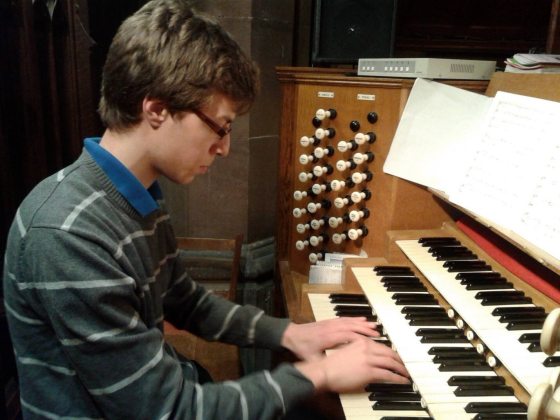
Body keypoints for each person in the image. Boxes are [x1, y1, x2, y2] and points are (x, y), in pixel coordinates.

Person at [2, 0, 409, 418]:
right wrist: (317, 375)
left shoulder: (137, 196)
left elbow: (186, 300)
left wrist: (289, 334)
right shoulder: (68, 237)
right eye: (220, 126)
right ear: (157, 109)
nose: (226, 147)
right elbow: (169, 410)